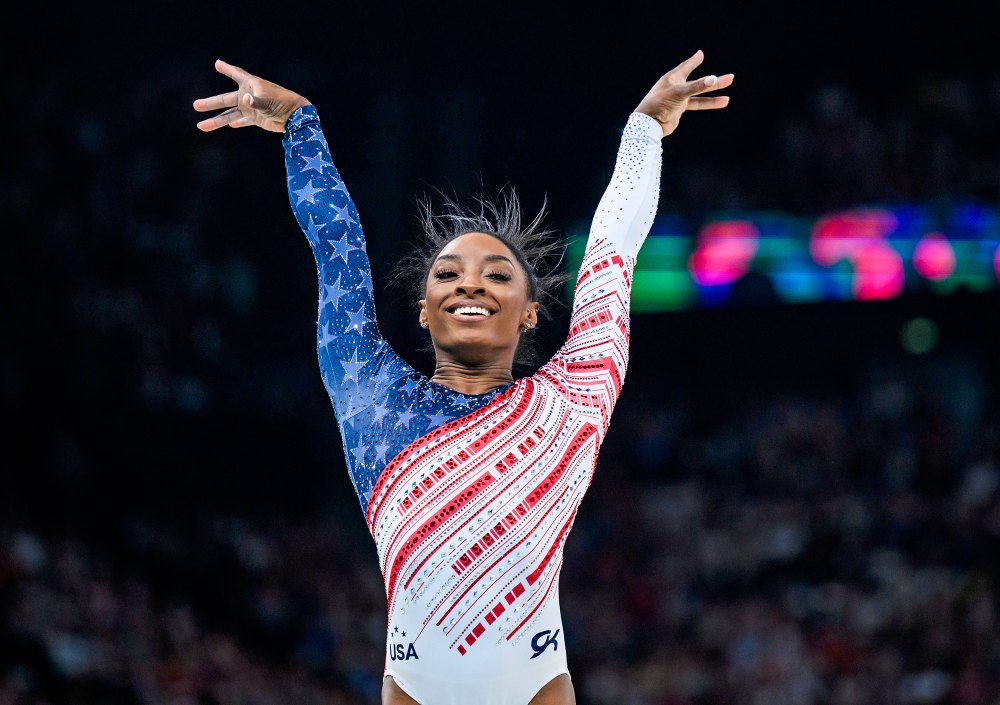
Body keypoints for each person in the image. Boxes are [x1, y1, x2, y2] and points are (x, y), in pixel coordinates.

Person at [193, 51, 733, 705]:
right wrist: (300, 125)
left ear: (531, 311)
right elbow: (335, 249)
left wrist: (646, 127)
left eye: (497, 274)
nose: (470, 281)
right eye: (447, 274)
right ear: (422, 309)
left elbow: (612, 252)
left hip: (536, 685)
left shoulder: (570, 400)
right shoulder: (373, 400)